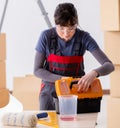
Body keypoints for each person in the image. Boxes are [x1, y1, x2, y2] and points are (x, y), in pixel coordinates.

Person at [34, 2, 114, 110]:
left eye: (71, 28)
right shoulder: (46, 36)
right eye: (61, 28)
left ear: (76, 24)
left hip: (75, 92)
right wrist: (62, 79)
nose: (66, 34)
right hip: (50, 94)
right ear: (55, 23)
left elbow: (109, 65)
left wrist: (94, 73)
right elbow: (37, 70)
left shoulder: (83, 37)